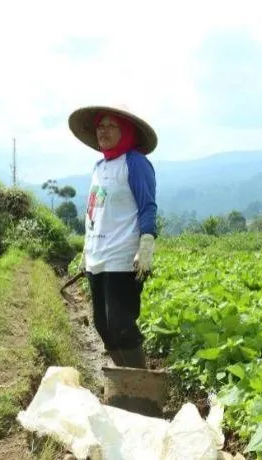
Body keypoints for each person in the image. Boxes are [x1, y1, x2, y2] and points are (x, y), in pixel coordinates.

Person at [68, 105, 159, 369]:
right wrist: (86, 252)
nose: (103, 131)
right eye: (100, 126)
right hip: (97, 257)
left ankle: (140, 380)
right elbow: (94, 213)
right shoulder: (98, 167)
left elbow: (147, 205)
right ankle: (124, 378)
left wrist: (146, 243)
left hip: (122, 258)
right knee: (103, 326)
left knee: (121, 324)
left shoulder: (135, 163)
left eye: (111, 126)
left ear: (126, 131)